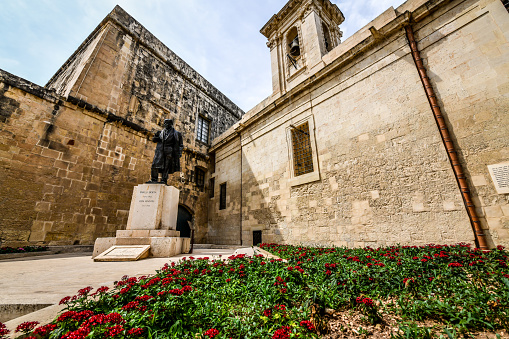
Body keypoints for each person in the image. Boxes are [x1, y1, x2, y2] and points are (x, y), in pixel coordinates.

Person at [147, 119, 183, 185]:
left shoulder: (177, 133)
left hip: (169, 151)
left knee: (166, 166)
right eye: (165, 123)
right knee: (155, 164)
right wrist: (156, 138)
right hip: (160, 151)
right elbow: (154, 140)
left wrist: (179, 153)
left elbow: (180, 145)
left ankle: (164, 180)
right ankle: (153, 179)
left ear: (171, 124)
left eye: (167, 123)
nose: (166, 124)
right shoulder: (160, 132)